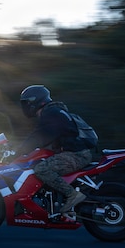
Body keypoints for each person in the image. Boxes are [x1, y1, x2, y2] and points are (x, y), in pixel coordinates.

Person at [13, 84, 94, 215]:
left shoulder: (51, 113)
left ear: (36, 101)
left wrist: (19, 151)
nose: (25, 106)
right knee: (40, 161)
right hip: (74, 153)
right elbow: (41, 135)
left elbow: (39, 137)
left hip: (76, 155)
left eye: (27, 102)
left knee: (41, 169)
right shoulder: (53, 112)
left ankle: (72, 195)